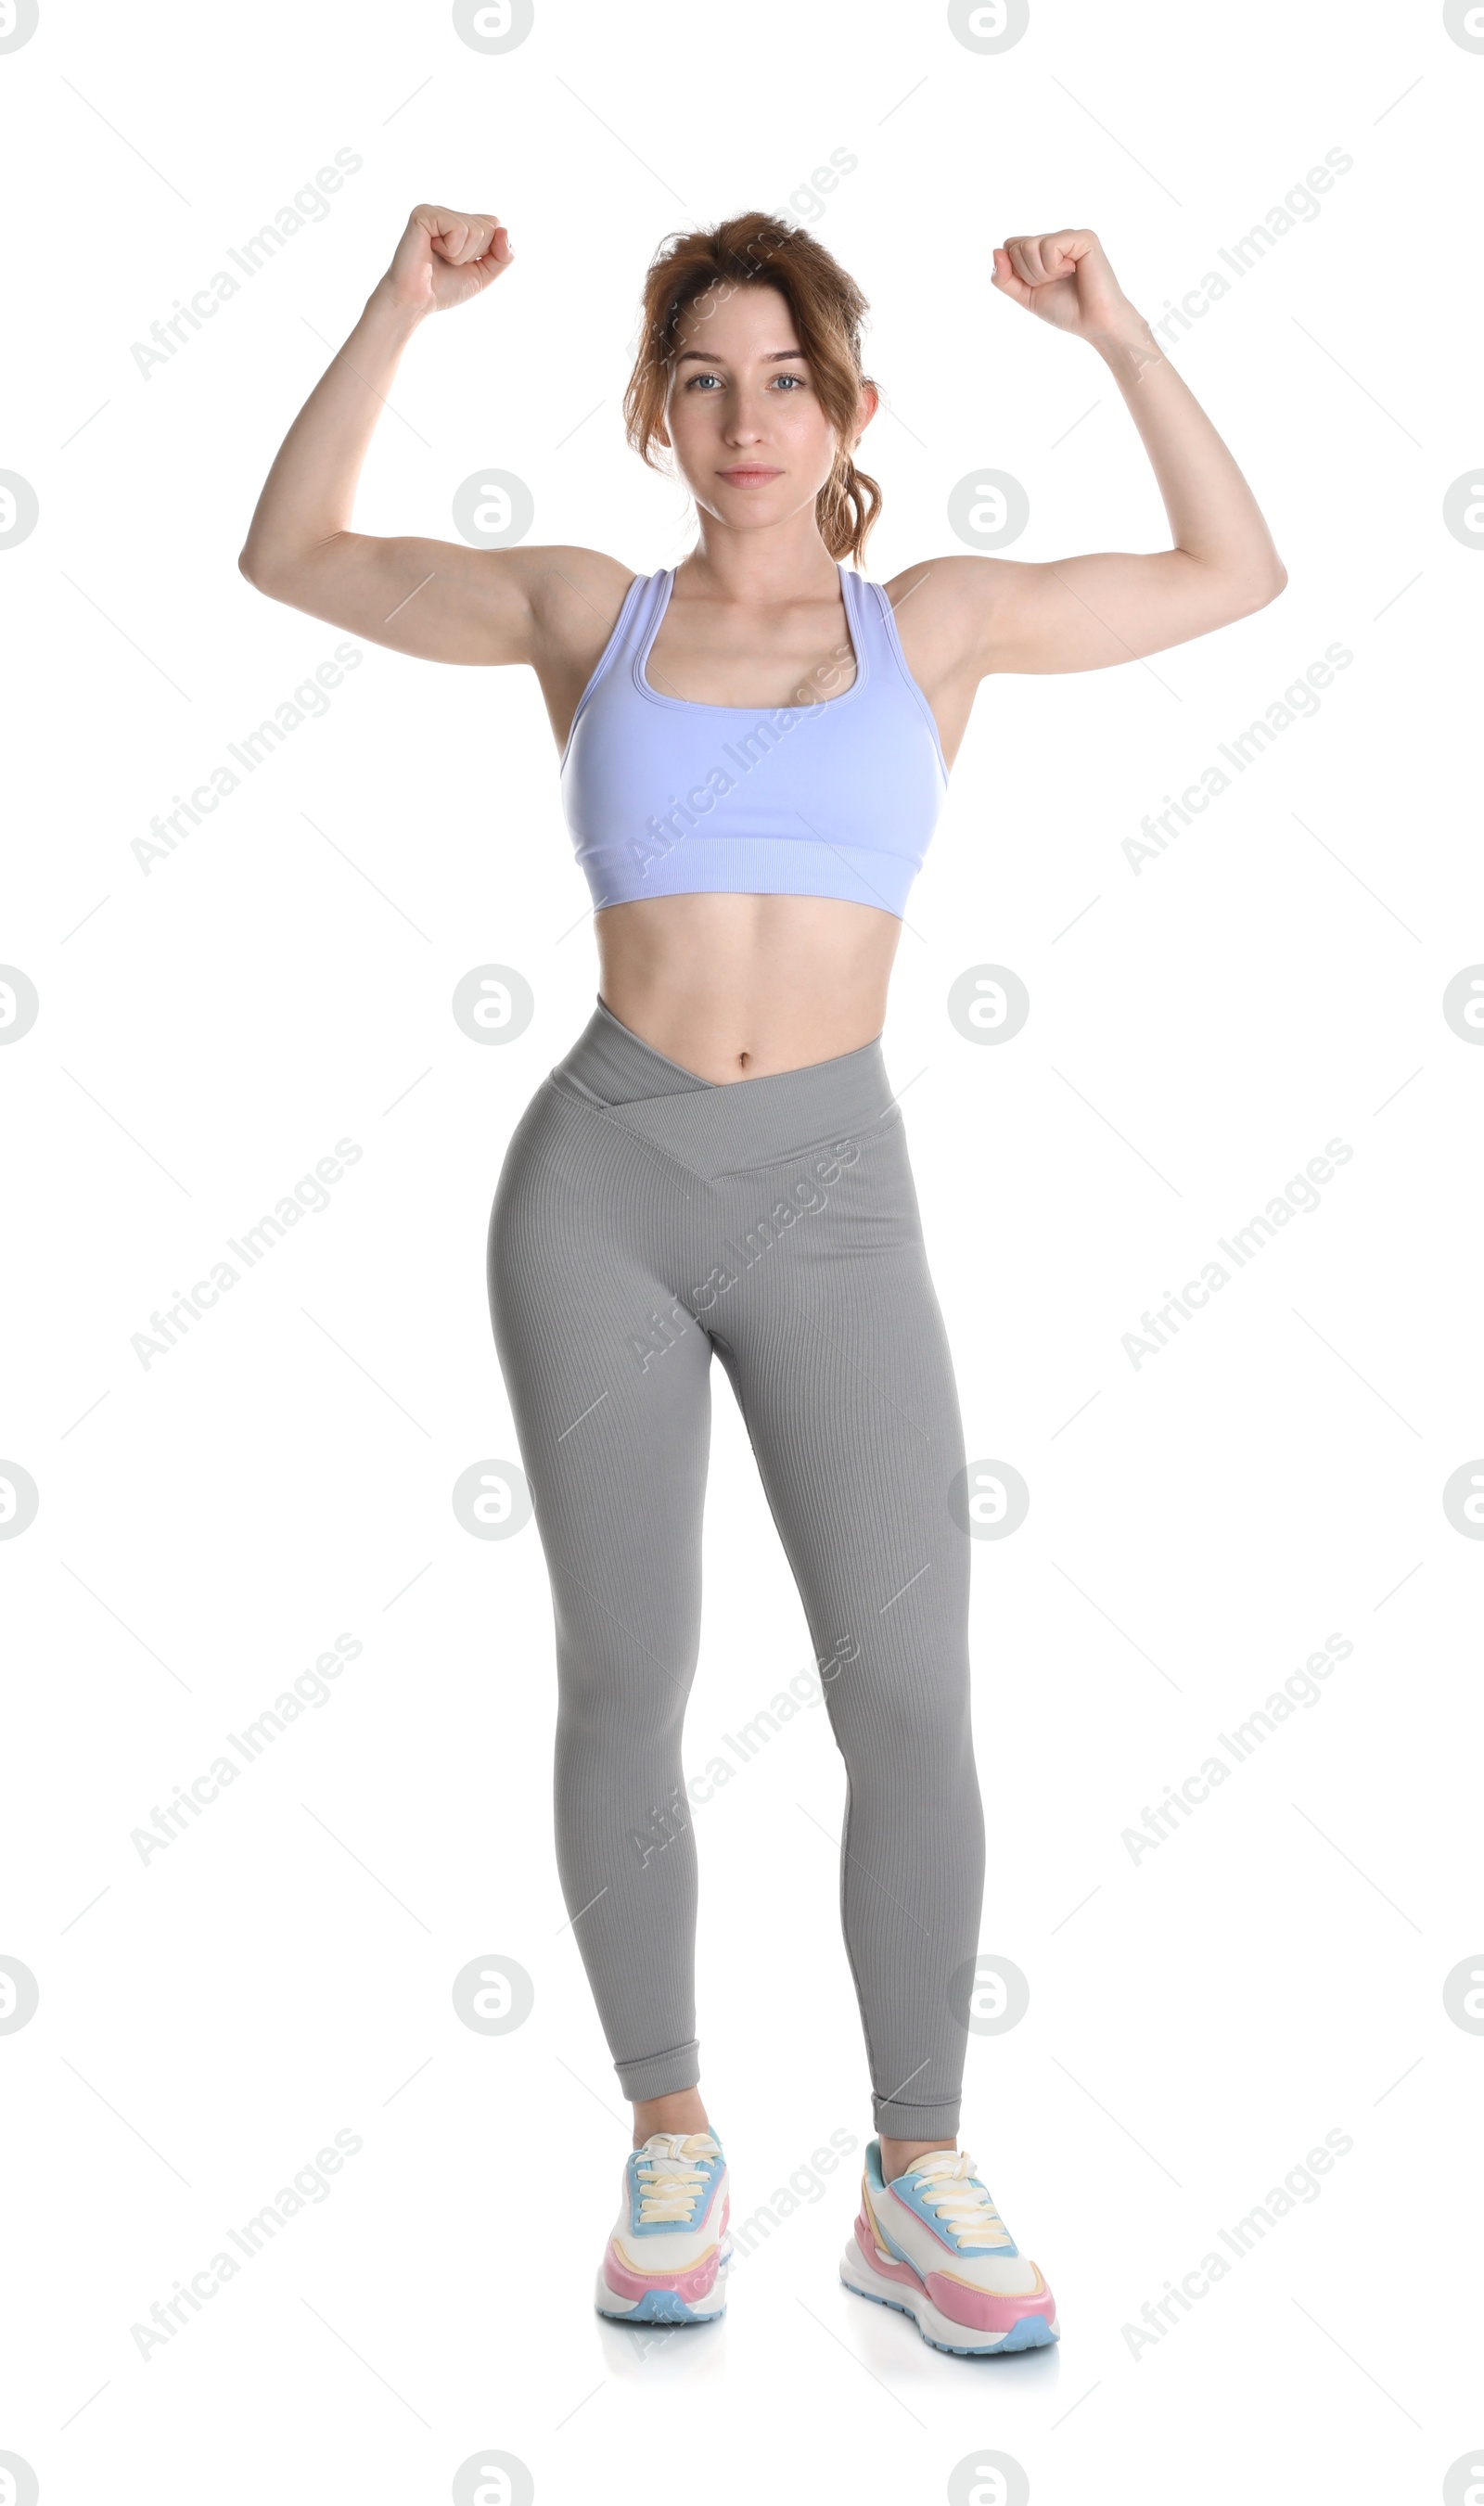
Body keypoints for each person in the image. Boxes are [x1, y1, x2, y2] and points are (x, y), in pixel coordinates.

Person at [238, 202, 1286, 2353]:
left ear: (849, 411)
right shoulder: (578, 612)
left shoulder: (943, 620)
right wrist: (401, 306)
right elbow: (292, 552)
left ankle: (915, 2169)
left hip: (835, 1194)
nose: (742, 417)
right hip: (599, 1189)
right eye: (701, 377)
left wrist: (1114, 329)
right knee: (624, 1683)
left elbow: (1229, 573)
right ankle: (669, 2138)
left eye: (784, 378)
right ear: (653, 410)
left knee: (906, 1694)